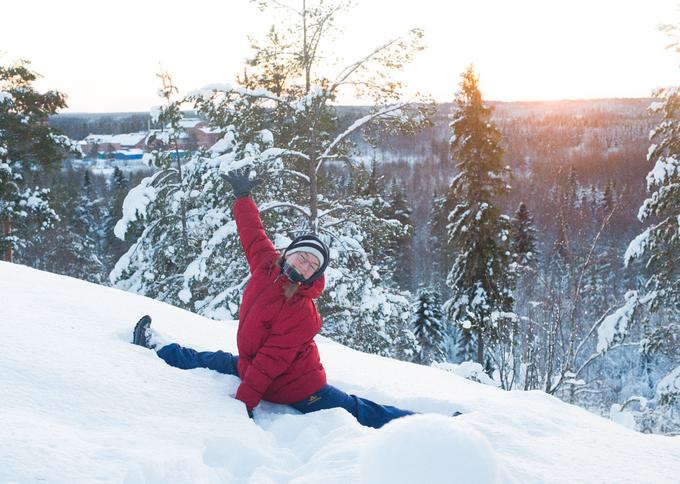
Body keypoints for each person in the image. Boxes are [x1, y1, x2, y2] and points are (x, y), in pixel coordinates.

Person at [132, 167, 415, 429]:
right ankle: (155, 347)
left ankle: (419, 424)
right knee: (209, 359)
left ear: (314, 276)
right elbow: (252, 232)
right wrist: (243, 197)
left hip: (298, 387)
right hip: (251, 363)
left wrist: (242, 404)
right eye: (303, 257)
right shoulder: (266, 264)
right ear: (289, 253)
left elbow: (270, 363)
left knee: (356, 410)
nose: (305, 266)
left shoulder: (302, 311)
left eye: (312, 267)